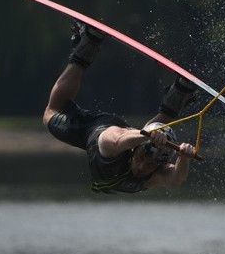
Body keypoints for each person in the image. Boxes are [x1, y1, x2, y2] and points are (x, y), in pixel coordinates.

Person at [42, 22, 200, 194]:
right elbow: (119, 140)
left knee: (151, 132)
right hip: (99, 132)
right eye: (141, 158)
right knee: (51, 113)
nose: (141, 167)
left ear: (160, 164)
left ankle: (180, 92)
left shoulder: (156, 171)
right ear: (134, 151)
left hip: (124, 138)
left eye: (150, 165)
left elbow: (176, 180)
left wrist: (183, 158)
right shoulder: (112, 146)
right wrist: (146, 135)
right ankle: (88, 44)